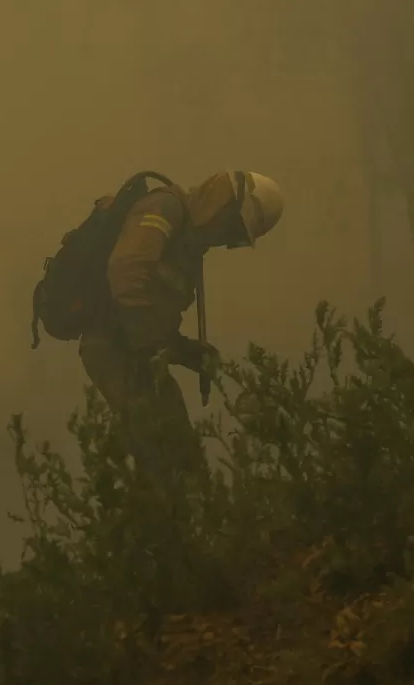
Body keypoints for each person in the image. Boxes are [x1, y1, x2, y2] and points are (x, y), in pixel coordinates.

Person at [78, 170, 283, 484]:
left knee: (179, 453)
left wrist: (184, 350)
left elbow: (153, 316)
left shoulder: (187, 244)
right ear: (223, 204)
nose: (225, 239)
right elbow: (126, 271)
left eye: (236, 237)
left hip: (135, 352)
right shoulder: (165, 208)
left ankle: (161, 508)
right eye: (233, 227)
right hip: (113, 347)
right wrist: (157, 346)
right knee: (163, 454)